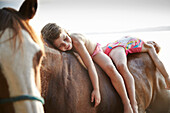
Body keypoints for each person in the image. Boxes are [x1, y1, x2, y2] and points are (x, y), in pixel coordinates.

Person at [41, 23, 136, 113]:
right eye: (60, 45)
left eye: (65, 39)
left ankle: (127, 103)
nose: (66, 45)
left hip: (94, 53)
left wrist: (96, 89)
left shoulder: (76, 41)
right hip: (81, 55)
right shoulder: (65, 46)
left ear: (66, 32)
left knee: (110, 68)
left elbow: (90, 65)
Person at [102, 36, 170, 93]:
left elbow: (157, 61)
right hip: (111, 46)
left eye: (155, 45)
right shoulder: (139, 42)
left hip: (114, 47)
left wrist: (166, 77)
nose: (152, 43)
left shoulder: (149, 47)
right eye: (153, 42)